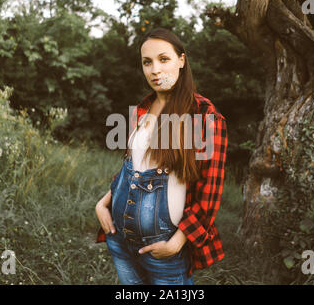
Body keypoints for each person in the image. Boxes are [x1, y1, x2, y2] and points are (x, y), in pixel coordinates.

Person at [95, 27, 228, 285]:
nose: (155, 69)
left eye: (163, 59)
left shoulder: (203, 115)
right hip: (120, 239)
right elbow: (133, 167)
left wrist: (176, 242)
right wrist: (103, 203)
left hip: (165, 247)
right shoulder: (143, 108)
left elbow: (209, 193)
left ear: (181, 60)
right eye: (147, 62)